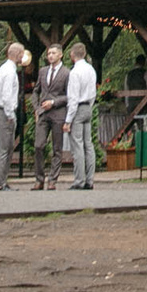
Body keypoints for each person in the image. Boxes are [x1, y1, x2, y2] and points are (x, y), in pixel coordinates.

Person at [30, 44, 71, 190]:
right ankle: (39, 179)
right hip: (43, 113)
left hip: (58, 113)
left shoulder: (67, 73)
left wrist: (54, 102)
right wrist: (36, 106)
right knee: (38, 145)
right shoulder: (43, 71)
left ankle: (53, 179)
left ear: (60, 55)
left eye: (53, 53)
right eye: (48, 54)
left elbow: (69, 95)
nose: (50, 56)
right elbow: (36, 91)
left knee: (57, 148)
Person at [0, 43, 26, 191]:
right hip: (5, 112)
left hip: (2, 111)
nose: (23, 57)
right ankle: (0, 182)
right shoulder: (10, 72)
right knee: (4, 149)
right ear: (16, 54)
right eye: (22, 54)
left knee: (6, 148)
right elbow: (6, 95)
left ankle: (2, 181)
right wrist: (11, 114)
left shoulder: (4, 68)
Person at [66, 41, 97, 190]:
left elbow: (73, 98)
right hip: (88, 107)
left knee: (77, 145)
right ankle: (89, 179)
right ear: (84, 54)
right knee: (88, 144)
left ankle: (79, 179)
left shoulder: (74, 72)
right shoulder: (91, 70)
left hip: (77, 108)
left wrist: (68, 120)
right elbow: (93, 93)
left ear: (72, 55)